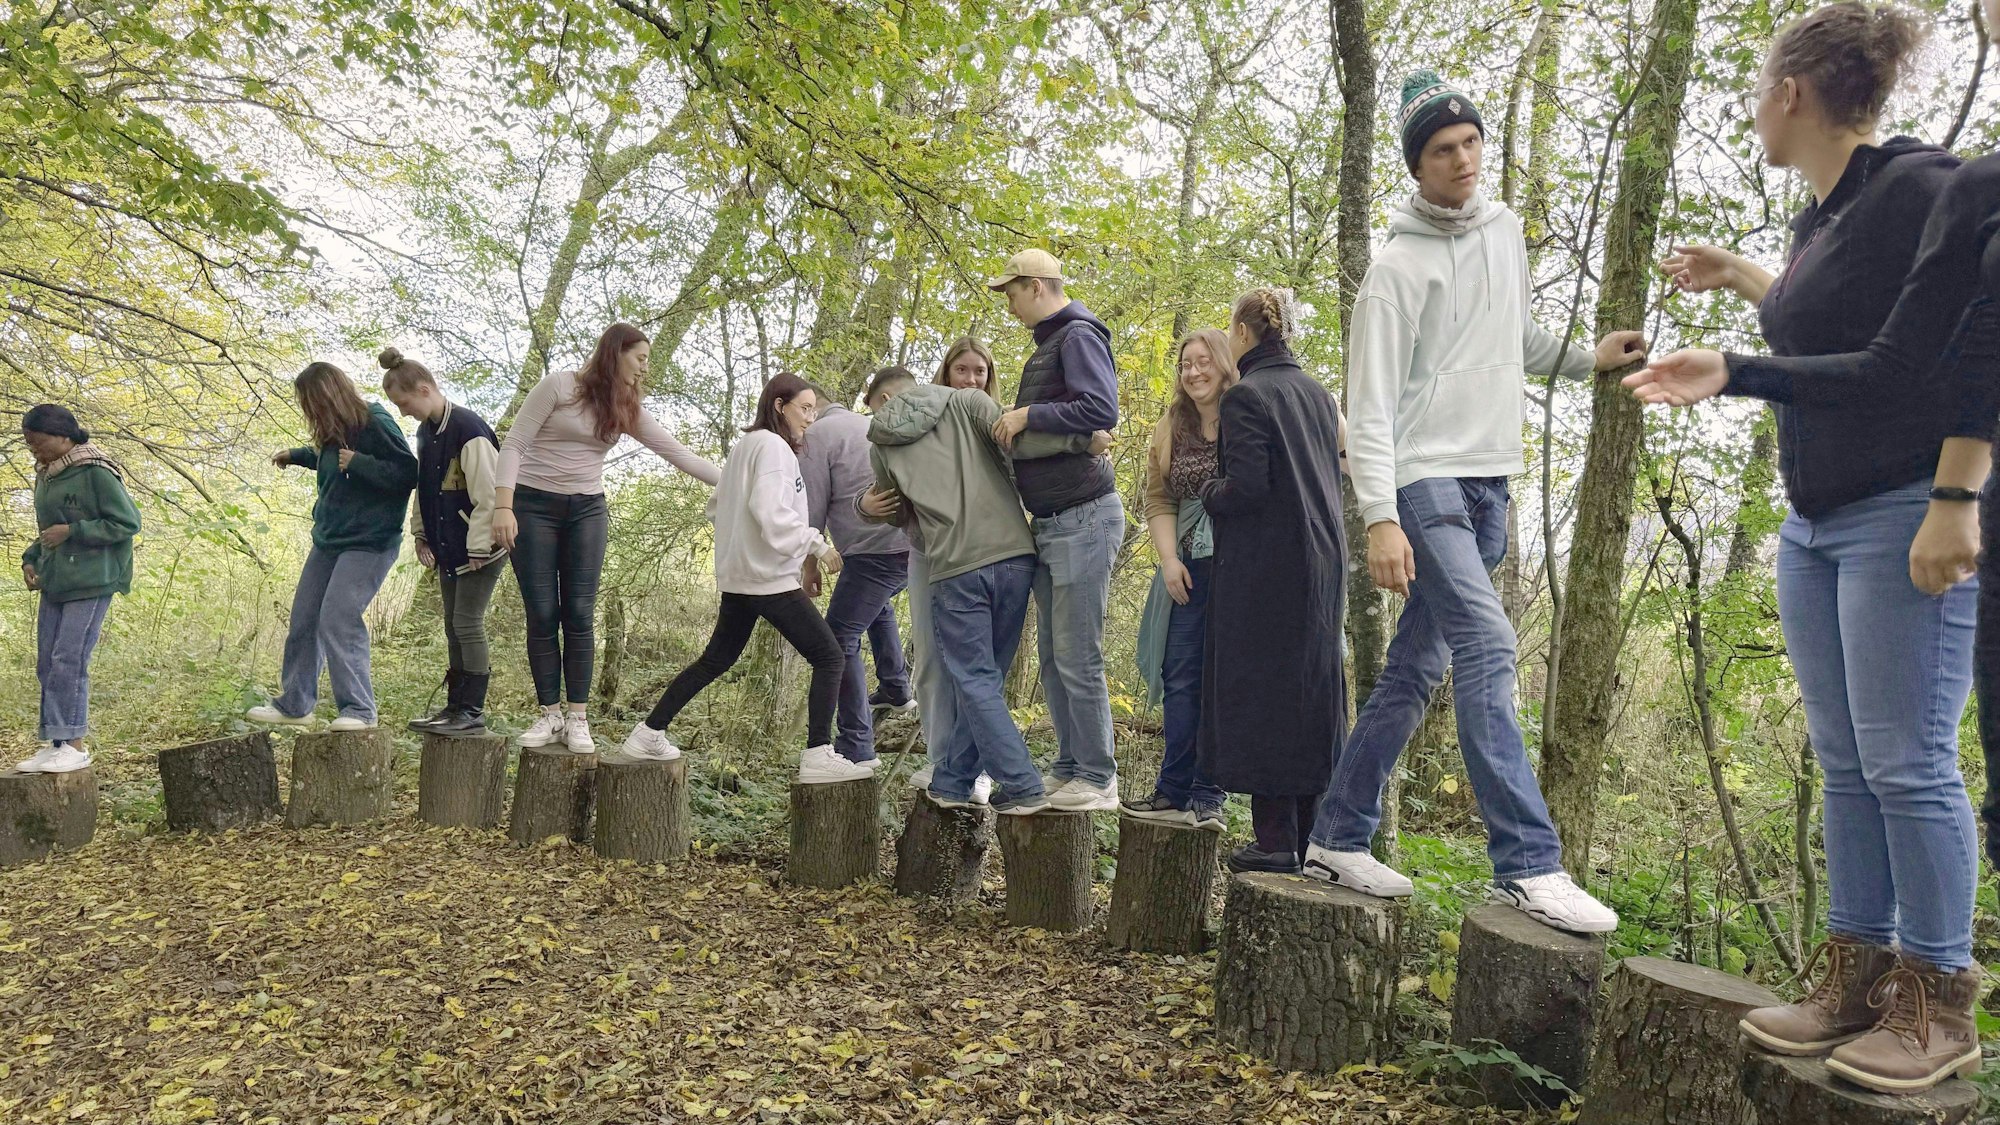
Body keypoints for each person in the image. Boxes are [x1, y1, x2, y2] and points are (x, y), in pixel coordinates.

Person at [1622, 2, 1989, 1092]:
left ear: (1790, 94)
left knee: (1907, 758)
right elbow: (1824, 325)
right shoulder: (1816, 222)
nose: (1752, 108)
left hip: (1900, 505)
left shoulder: (1919, 185)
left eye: (1757, 89)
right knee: (1844, 759)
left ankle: (1934, 999)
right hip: (1813, 518)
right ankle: (1856, 973)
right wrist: (1738, 276)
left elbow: (1949, 341)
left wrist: (1951, 495)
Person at [1306, 70, 1643, 931]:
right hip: (1423, 479)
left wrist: (1588, 355)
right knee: (1491, 642)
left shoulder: (1503, 235)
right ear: (1416, 166)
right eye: (1440, 150)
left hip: (1493, 479)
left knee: (1416, 669)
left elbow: (1511, 340)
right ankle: (1528, 862)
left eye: (1468, 143)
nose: (1460, 159)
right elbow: (1370, 406)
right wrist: (1379, 514)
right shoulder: (1393, 270)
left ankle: (1337, 834)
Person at [622, 374, 869, 784]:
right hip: (765, 580)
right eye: (804, 408)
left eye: (814, 409)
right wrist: (816, 545)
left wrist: (739, 552)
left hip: (740, 578)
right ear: (779, 406)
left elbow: (719, 505)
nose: (810, 417)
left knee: (716, 659)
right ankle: (818, 753)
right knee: (830, 656)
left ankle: (648, 732)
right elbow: (770, 512)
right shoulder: (773, 448)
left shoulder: (745, 447)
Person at [496, 323, 722, 754]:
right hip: (531, 507)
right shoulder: (558, 386)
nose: (644, 367)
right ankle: (549, 714)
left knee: (579, 612)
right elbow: (514, 444)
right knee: (542, 612)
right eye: (640, 357)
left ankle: (577, 718)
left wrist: (743, 482)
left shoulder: (625, 406)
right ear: (615, 352)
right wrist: (503, 506)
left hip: (586, 510)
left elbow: (678, 453)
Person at [1191, 290, 1347, 873]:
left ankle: (1275, 841)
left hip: (1266, 570)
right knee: (1307, 694)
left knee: (1263, 695)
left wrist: (1210, 492)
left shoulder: (1247, 396)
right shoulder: (1315, 392)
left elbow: (1248, 487)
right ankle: (1308, 838)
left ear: (1242, 333)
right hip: (1322, 564)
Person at [857, 377, 1055, 814]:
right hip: (1014, 554)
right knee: (985, 682)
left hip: (955, 566)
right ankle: (952, 779)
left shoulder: (882, 446)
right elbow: (1019, 448)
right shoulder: (968, 402)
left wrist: (867, 505)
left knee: (974, 680)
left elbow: (896, 513)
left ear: (884, 399)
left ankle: (1022, 782)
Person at [987, 250, 1124, 811]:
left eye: (1013, 292)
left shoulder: (1077, 336)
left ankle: (1098, 775)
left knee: (1078, 655)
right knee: (1053, 655)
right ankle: (1070, 765)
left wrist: (1026, 416)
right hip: (1052, 522)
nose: (1010, 304)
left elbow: (1101, 408)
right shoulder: (1050, 343)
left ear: (1039, 286)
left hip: (1084, 518)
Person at [250, 362, 418, 731]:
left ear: (330, 396)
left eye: (313, 403)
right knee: (305, 619)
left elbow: (408, 472)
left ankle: (359, 711)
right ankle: (295, 705)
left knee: (338, 618)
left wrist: (360, 463)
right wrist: (297, 456)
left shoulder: (374, 421)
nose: (310, 411)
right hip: (329, 539)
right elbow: (331, 463)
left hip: (369, 542)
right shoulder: (333, 430)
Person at [1126, 329, 1238, 831]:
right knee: (1181, 677)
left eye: (1202, 361)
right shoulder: (1171, 425)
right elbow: (1159, 499)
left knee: (1224, 679)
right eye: (1184, 363)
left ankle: (1209, 796)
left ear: (1223, 363)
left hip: (1243, 570)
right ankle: (1172, 791)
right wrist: (1170, 561)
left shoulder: (1248, 413)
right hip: (1189, 567)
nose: (1192, 372)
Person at [381, 348, 505, 737]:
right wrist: (421, 534)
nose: (403, 413)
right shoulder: (425, 433)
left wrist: (479, 547)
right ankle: (455, 707)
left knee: (468, 623)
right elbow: (426, 488)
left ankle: (472, 710)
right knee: (453, 626)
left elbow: (491, 494)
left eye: (404, 403)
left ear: (423, 389)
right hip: (448, 544)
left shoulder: (470, 430)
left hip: (481, 545)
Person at [15, 405, 140, 774]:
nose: (33, 449)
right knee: (47, 662)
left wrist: (74, 532)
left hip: (92, 578)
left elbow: (127, 522)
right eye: (28, 444)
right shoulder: (47, 476)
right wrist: (30, 559)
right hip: (56, 579)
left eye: (38, 442)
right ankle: (56, 742)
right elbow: (47, 530)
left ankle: (75, 745)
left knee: (69, 659)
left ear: (63, 435)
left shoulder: (95, 472)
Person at [798, 371, 915, 765]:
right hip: (909, 547)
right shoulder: (865, 423)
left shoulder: (816, 435)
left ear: (811, 404)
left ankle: (857, 745)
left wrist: (809, 566)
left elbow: (813, 507)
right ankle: (897, 688)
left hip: (875, 552)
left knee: (836, 640)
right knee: (874, 608)